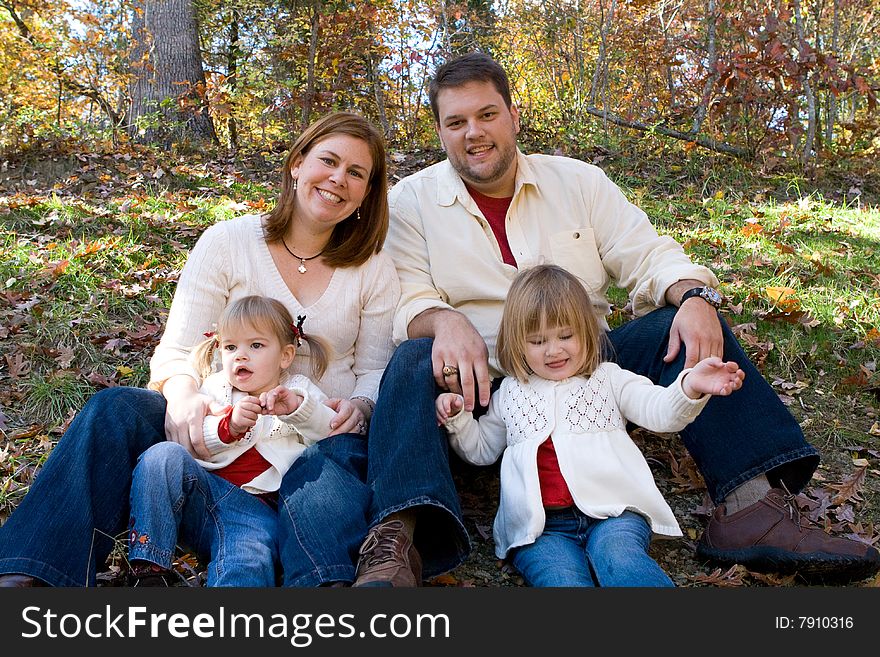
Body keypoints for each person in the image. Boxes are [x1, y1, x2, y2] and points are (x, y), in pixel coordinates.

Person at [350, 51, 880, 586]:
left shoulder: (578, 182)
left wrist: (695, 295)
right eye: (456, 122)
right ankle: (399, 540)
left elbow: (646, 254)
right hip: (478, 381)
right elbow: (406, 294)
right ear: (440, 131)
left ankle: (750, 510)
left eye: (486, 114)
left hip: (588, 366)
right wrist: (442, 319)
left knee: (681, 318)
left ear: (513, 114)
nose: (474, 133)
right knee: (414, 356)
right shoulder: (412, 202)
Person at [0, 111, 400, 587]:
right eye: (328, 161)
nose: (338, 179)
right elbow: (178, 350)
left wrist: (360, 405)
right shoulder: (229, 242)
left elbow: (377, 368)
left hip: (316, 437)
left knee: (319, 471)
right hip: (217, 431)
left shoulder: (372, 268)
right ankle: (33, 576)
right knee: (114, 410)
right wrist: (186, 395)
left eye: (357, 173)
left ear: (367, 194)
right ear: (296, 164)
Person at [435, 265, 745, 587]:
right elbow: (482, 450)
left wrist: (689, 386)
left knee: (620, 559)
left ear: (586, 331)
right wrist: (458, 419)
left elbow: (661, 412)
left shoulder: (608, 379)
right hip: (541, 529)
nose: (554, 350)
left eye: (566, 335)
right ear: (518, 343)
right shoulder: (510, 394)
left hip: (614, 513)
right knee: (561, 580)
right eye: (537, 341)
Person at [128, 295, 337, 586]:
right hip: (206, 494)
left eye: (255, 345)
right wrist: (230, 427)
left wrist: (299, 410)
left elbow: (331, 433)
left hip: (257, 511)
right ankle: (148, 567)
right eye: (230, 347)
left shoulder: (297, 391)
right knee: (162, 456)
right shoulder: (215, 388)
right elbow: (195, 441)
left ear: (286, 355)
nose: (240, 355)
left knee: (245, 561)